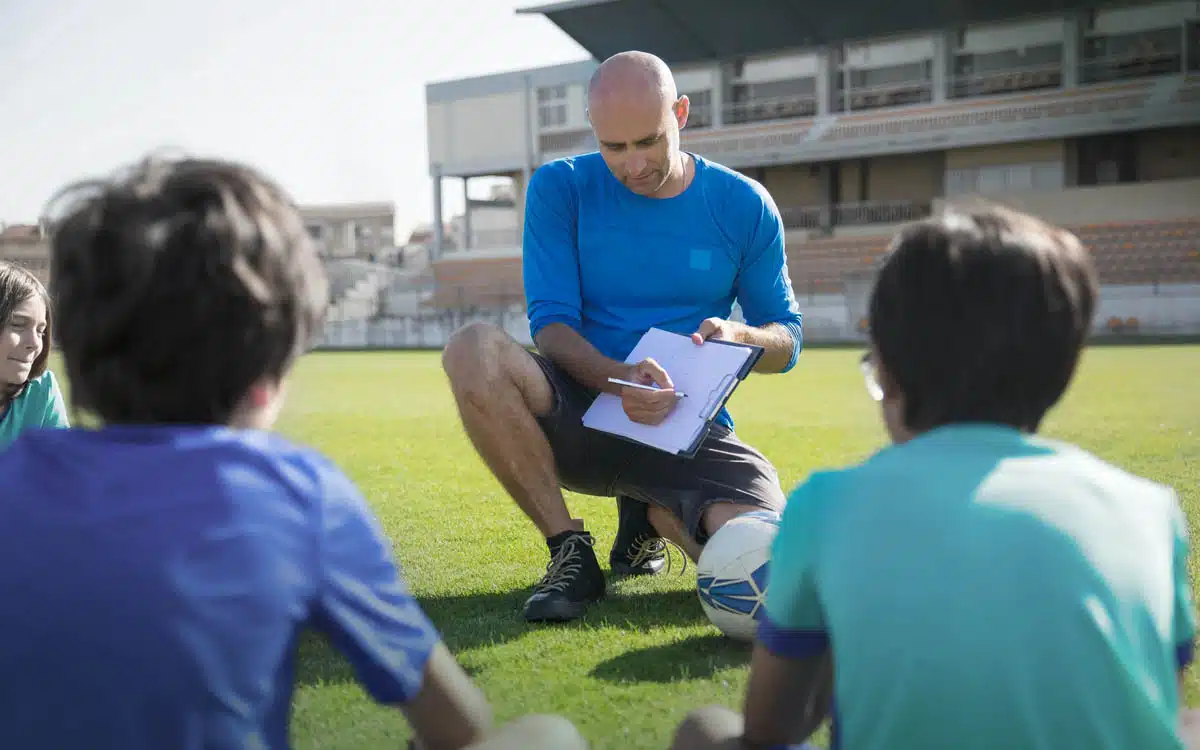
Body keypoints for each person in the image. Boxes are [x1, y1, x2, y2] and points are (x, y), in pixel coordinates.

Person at [0, 155, 586, 750]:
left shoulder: (12, 481)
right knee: (550, 736)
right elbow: (457, 728)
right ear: (269, 364)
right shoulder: (297, 495)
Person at [670, 206, 1197, 750]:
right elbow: (1162, 708)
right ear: (1062, 371)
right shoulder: (1150, 510)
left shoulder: (828, 506)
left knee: (704, 732)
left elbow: (773, 729)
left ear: (888, 368)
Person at [441, 50, 804, 623]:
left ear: (680, 114)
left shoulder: (743, 204)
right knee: (472, 349)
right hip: (577, 410)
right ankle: (570, 551)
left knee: (771, 560)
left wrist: (741, 334)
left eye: (648, 142)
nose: (633, 165)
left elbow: (788, 338)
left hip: (684, 424)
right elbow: (552, 326)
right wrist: (620, 379)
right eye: (615, 147)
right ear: (594, 131)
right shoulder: (559, 188)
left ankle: (651, 515)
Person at [0, 260, 69, 448]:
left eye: (41, 331)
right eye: (18, 325)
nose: (34, 343)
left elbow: (59, 469)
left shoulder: (41, 390)